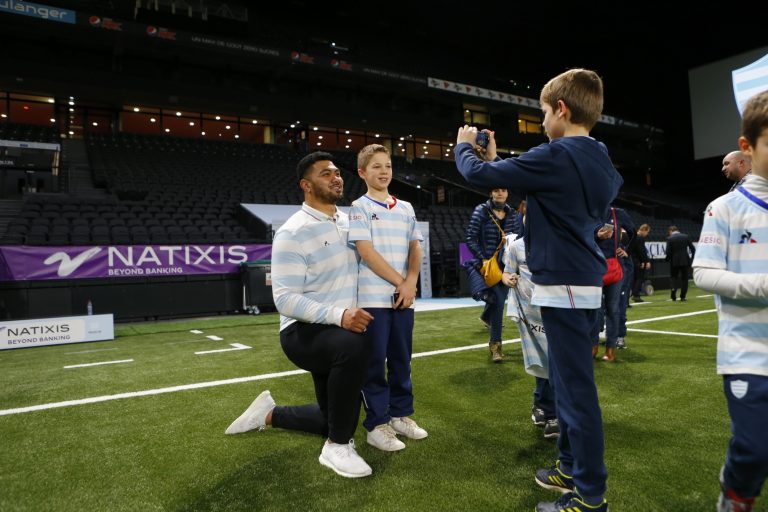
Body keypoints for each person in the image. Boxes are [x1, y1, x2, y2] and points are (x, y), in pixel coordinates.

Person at [455, 68, 622, 512]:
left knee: (576, 392)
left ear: (562, 110)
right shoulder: (599, 154)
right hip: (581, 279)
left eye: (545, 112)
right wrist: (497, 159)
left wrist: (464, 145)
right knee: (566, 385)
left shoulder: (558, 154)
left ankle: (589, 496)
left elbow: (476, 175)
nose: (543, 121)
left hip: (563, 284)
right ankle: (569, 465)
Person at [224, 151, 375, 479]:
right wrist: (339, 315)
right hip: (302, 333)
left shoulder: (351, 224)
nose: (336, 178)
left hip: (339, 328)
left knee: (336, 416)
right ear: (306, 185)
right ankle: (337, 447)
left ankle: (269, 414)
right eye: (325, 174)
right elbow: (285, 300)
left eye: (337, 172)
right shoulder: (293, 231)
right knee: (354, 348)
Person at [692, 90, 768, 512]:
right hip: (748, 352)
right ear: (748, 147)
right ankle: (735, 493)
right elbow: (703, 272)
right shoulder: (724, 208)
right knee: (755, 449)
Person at [348, 144, 428, 452]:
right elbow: (366, 253)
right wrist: (401, 282)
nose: (384, 172)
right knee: (373, 363)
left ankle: (400, 416)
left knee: (401, 360)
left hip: (403, 299)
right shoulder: (359, 207)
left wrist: (410, 282)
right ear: (362, 172)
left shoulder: (406, 207)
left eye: (388, 166)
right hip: (372, 299)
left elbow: (415, 247)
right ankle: (376, 425)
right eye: (376, 167)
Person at [502, 222, 559, 439]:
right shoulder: (516, 247)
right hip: (530, 312)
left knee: (552, 358)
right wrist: (510, 279)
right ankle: (547, 409)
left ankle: (546, 408)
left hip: (555, 308)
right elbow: (506, 273)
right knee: (541, 357)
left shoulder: (556, 244)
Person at [465, 188, 519, 362]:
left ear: (507, 193)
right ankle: (496, 346)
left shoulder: (512, 214)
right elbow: (470, 237)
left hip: (508, 265)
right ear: (490, 193)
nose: (500, 193)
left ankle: (485, 316)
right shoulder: (481, 211)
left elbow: (518, 238)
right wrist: (482, 259)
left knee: (499, 298)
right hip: (489, 264)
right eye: (496, 190)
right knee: (497, 300)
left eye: (503, 190)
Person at [593, 206, 634, 360]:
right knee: (595, 309)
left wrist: (626, 249)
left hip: (614, 268)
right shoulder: (589, 211)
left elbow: (633, 233)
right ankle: (593, 345)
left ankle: (610, 349)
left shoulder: (618, 213)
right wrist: (597, 235)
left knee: (612, 309)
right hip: (593, 267)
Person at [665, 225, 696, 301]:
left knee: (673, 277)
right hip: (685, 261)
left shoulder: (670, 238)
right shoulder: (686, 236)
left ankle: (673, 292)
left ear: (670, 231)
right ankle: (683, 296)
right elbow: (693, 249)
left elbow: (668, 252)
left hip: (674, 261)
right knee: (684, 279)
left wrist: (667, 259)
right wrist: (692, 259)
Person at [629, 224, 651, 302]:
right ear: (644, 230)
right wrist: (646, 261)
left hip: (631, 260)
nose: (647, 234)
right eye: (647, 232)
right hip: (638, 262)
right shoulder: (640, 238)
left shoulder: (633, 236)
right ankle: (636, 295)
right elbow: (641, 251)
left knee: (634, 279)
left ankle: (633, 294)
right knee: (640, 278)